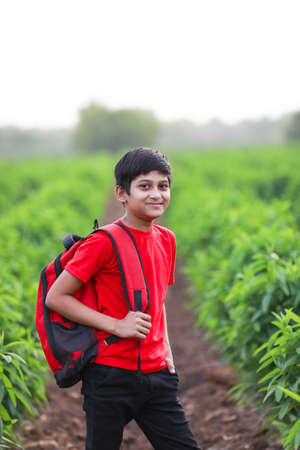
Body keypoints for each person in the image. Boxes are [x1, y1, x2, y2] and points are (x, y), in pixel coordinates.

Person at [46, 147, 201, 450]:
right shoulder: (103, 243)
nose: (156, 194)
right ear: (121, 193)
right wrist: (117, 325)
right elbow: (57, 297)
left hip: (158, 376)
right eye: (145, 186)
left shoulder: (166, 239)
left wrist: (166, 351)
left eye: (163, 185)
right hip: (109, 375)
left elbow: (159, 303)